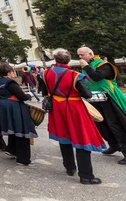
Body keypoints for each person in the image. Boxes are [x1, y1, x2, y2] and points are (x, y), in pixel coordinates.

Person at [41, 48, 105, 185]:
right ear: (68, 59)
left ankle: (69, 167)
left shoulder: (45, 73)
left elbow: (44, 91)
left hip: (57, 108)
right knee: (82, 140)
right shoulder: (74, 75)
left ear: (54, 59)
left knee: (64, 138)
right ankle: (86, 176)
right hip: (74, 108)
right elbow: (87, 94)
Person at [78, 46, 126, 164]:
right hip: (94, 100)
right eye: (79, 55)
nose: (80, 57)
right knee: (101, 125)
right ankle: (113, 145)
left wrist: (86, 66)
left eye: (82, 55)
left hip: (109, 98)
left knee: (115, 124)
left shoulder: (104, 65)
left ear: (90, 53)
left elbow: (97, 77)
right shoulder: (85, 67)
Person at [0, 63, 37, 166]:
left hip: (3, 105)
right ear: (9, 72)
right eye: (12, 71)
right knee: (21, 130)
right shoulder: (10, 82)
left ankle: (12, 149)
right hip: (13, 106)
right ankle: (23, 159)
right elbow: (22, 96)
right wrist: (29, 94)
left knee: (12, 129)